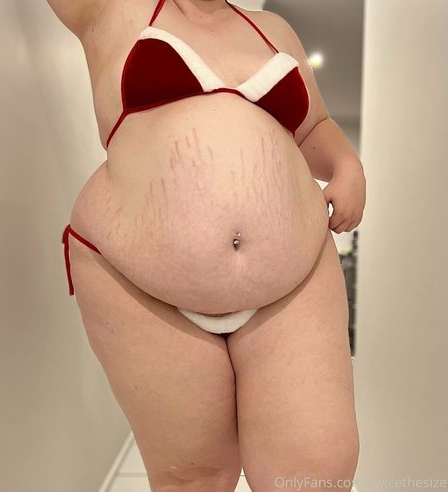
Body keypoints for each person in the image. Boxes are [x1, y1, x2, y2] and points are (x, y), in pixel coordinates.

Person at [47, 0, 366, 490]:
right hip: (138, 284)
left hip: (295, 280)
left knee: (316, 471)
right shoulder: (112, 9)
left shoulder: (274, 29)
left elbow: (314, 127)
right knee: (194, 478)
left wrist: (347, 166)